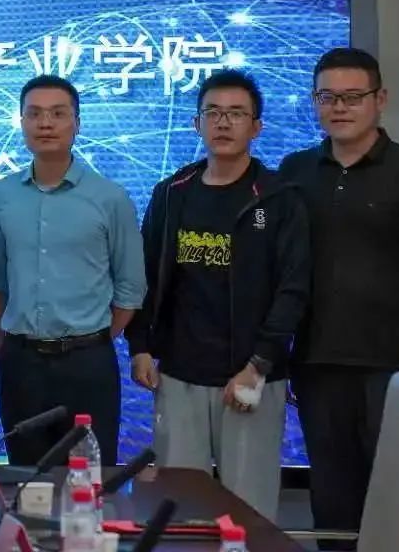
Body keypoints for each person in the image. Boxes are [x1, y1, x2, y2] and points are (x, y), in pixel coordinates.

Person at [278, 48, 399, 545]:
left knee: (396, 496)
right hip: (316, 363)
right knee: (332, 498)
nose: (339, 107)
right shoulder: (295, 170)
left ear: (380, 99)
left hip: (394, 365)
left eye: (353, 97)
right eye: (327, 97)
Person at [128, 69, 309, 520]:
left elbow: (293, 289)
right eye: (213, 112)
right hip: (180, 375)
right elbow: (146, 274)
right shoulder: (172, 193)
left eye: (236, 113)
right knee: (179, 507)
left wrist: (258, 364)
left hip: (250, 375)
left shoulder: (279, 198)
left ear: (256, 127)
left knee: (248, 510)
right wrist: (140, 346)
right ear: (197, 124)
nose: (223, 122)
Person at [0, 74, 145, 468]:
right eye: (34, 114)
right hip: (21, 363)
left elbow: (130, 287)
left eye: (58, 114)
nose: (45, 124)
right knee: (27, 480)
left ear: (77, 123)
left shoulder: (110, 197)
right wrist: (3, 347)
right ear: (21, 122)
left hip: (87, 364)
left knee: (87, 478)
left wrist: (92, 338)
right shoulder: (1, 195)